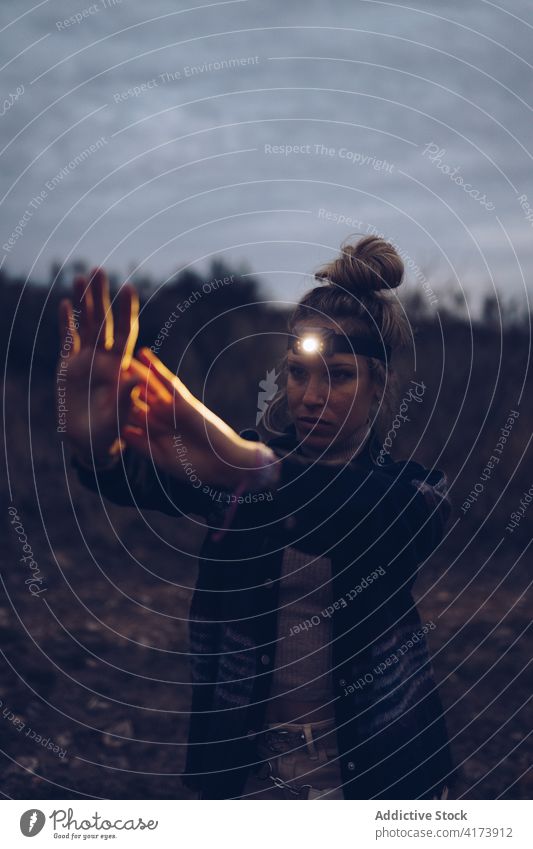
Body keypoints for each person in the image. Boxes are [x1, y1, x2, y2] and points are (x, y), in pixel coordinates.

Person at [57, 235, 458, 800]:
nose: (311, 395)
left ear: (380, 385)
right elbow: (144, 482)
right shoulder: (235, 469)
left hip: (378, 770)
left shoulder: (414, 491)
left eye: (339, 375)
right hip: (245, 773)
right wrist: (98, 450)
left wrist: (258, 471)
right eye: (298, 372)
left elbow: (368, 514)